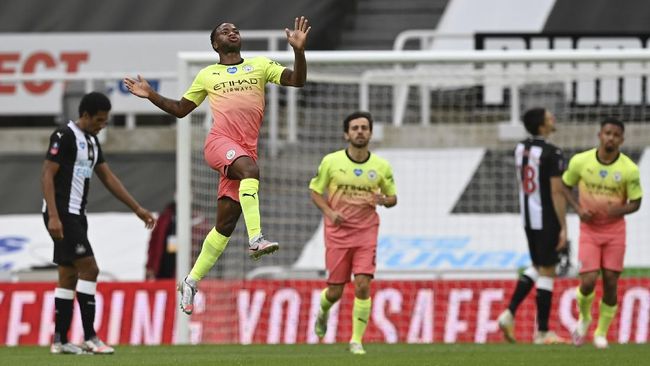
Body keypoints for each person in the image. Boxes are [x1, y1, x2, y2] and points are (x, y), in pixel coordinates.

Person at [123, 16, 311, 315]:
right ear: (215, 43)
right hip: (219, 145)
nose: (232, 31)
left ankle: (190, 280)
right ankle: (256, 238)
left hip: (244, 151)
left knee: (223, 226)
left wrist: (299, 52)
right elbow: (181, 110)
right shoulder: (207, 75)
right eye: (225, 30)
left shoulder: (260, 65)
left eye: (235, 29)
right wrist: (151, 95)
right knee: (251, 171)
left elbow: (298, 81)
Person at [41, 92, 156, 354]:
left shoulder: (91, 141)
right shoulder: (64, 136)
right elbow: (47, 174)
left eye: (105, 121)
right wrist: (55, 217)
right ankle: (91, 337)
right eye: (100, 120)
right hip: (63, 215)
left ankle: (60, 341)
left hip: (76, 215)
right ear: (85, 116)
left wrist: (137, 208)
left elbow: (108, 177)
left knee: (68, 274)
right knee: (90, 269)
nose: (103, 125)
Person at [309, 111, 397, 355]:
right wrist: (329, 212)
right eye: (355, 128)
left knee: (362, 284)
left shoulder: (381, 166)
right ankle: (323, 311)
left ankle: (356, 340)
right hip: (338, 232)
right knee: (335, 291)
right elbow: (315, 191)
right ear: (346, 134)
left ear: (370, 133)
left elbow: (392, 198)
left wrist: (384, 200)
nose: (360, 131)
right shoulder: (331, 162)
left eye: (364, 128)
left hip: (366, 232)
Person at [562, 117, 642, 349]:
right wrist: (577, 209)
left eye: (616, 135)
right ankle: (584, 318)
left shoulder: (629, 170)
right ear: (599, 135)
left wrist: (620, 209)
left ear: (622, 140)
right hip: (590, 230)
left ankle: (601, 333)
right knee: (587, 281)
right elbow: (564, 185)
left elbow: (636, 202)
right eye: (607, 133)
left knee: (609, 281)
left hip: (615, 231)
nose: (611, 138)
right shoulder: (581, 161)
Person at [497, 108, 567, 344]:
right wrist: (564, 227)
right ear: (541, 125)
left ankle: (509, 314)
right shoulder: (552, 153)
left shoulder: (520, 149)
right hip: (546, 218)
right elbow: (556, 191)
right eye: (549, 117)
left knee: (538, 266)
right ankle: (543, 332)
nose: (553, 119)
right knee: (548, 270)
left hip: (527, 217)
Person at [146, 200, 176, 280]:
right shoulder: (164, 216)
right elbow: (153, 243)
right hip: (162, 267)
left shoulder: (196, 217)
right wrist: (150, 267)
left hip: (181, 269)